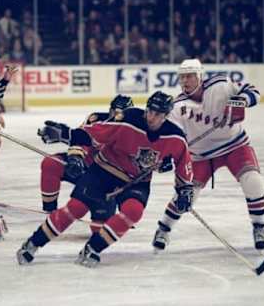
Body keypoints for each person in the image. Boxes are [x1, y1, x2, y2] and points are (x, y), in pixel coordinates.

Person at [16, 91, 194, 267]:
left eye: (157, 114)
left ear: (166, 116)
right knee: (75, 209)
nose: (151, 117)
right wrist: (65, 134)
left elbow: (183, 163)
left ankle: (92, 249)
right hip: (103, 172)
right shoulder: (129, 119)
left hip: (136, 181)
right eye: (150, 111)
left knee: (134, 212)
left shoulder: (176, 137)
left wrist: (185, 189)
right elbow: (94, 133)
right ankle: (33, 244)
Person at [152, 58, 264, 253]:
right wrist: (165, 157)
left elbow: (253, 91)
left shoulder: (221, 85)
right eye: (182, 77)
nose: (185, 81)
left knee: (253, 180)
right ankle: (163, 229)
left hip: (235, 145)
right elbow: (171, 136)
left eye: (190, 76)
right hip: (200, 156)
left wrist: (241, 100)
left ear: (200, 76)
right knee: (187, 195)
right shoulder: (177, 107)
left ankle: (259, 227)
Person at [39, 94, 134, 216]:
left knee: (99, 226)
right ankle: (49, 209)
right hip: (85, 169)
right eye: (114, 112)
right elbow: (81, 137)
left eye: (122, 114)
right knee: (52, 163)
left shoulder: (134, 132)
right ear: (110, 110)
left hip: (109, 180)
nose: (117, 117)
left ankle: (119, 212)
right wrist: (75, 156)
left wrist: (126, 210)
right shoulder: (96, 119)